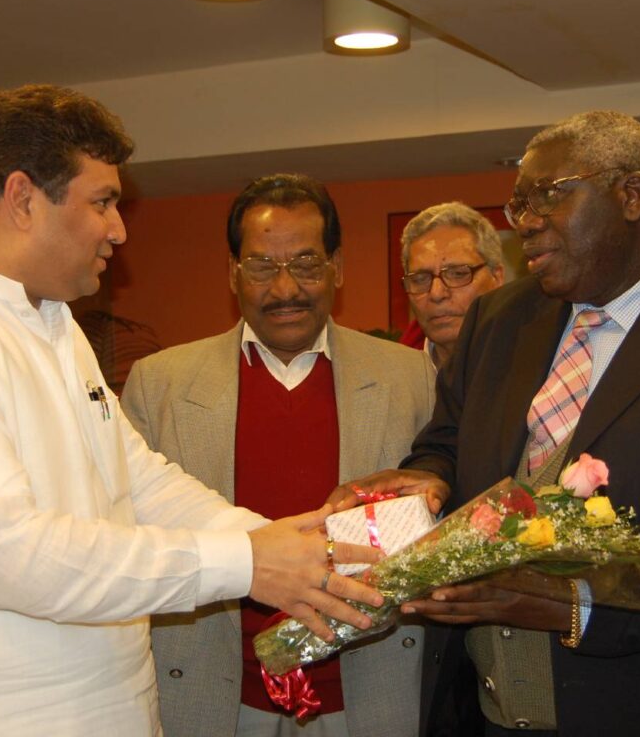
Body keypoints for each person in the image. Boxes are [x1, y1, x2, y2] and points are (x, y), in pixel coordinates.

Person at [0, 85, 386, 737]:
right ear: (22, 199)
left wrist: (269, 543)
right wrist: (243, 563)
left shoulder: (54, 320)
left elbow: (136, 477)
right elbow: (6, 554)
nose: (119, 230)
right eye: (102, 203)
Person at [347, 110, 640, 736]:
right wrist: (427, 480)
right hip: (480, 714)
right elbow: (448, 441)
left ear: (631, 196)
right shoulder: (500, 320)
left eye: (551, 196)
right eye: (519, 204)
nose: (526, 223)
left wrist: (576, 604)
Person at [121, 173, 441, 737]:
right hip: (214, 695)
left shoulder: (411, 376)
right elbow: (131, 537)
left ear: (338, 267)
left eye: (307, 264)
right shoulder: (160, 384)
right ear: (232, 273)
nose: (286, 287)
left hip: (368, 694)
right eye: (263, 265)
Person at [399, 203, 504, 369]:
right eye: (420, 279)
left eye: (458, 274)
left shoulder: (534, 362)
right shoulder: (393, 379)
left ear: (496, 278)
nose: (436, 294)